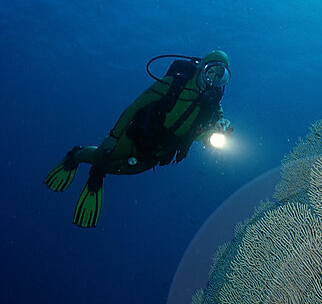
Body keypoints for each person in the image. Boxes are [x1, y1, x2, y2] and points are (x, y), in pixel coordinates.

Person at [44, 50, 232, 227]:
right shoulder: (174, 83)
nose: (212, 79)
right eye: (211, 71)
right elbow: (136, 105)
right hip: (138, 135)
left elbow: (200, 136)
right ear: (202, 67)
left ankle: (98, 173)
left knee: (116, 168)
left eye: (218, 76)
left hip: (158, 151)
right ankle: (76, 156)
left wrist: (216, 134)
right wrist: (113, 135)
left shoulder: (213, 107)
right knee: (103, 157)